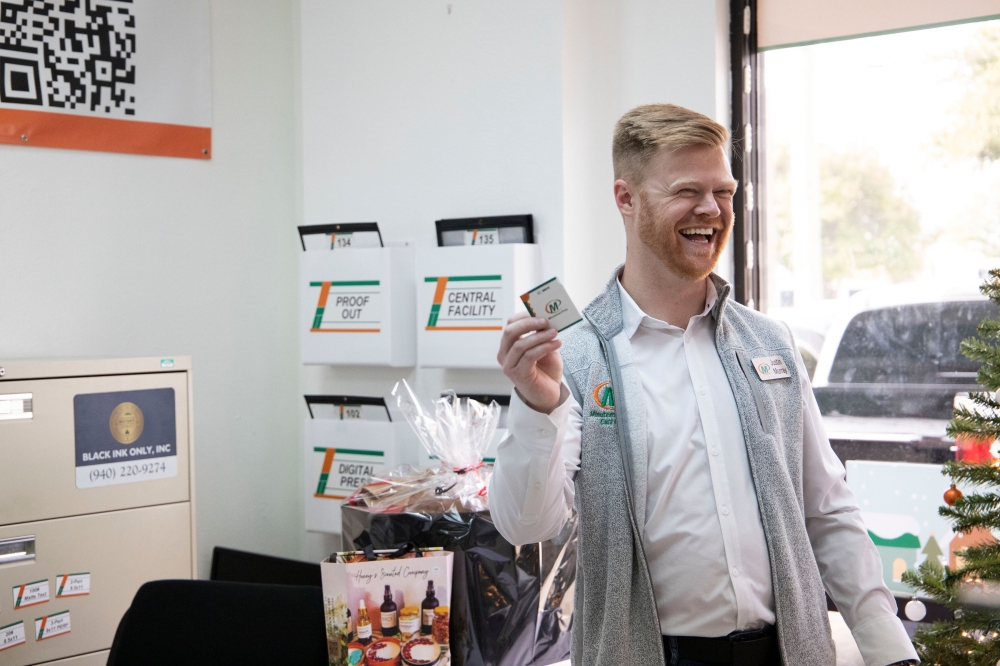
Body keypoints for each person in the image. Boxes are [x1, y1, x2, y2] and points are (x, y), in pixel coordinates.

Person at [488, 104, 918, 666]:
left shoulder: (771, 344)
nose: (711, 210)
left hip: (787, 653)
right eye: (688, 190)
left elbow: (827, 508)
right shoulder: (575, 355)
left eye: (725, 191)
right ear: (626, 198)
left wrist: (889, 650)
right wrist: (537, 406)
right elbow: (525, 525)